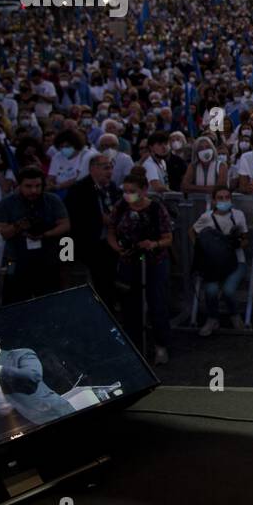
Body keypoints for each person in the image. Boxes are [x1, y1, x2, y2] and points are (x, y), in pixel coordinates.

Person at [107, 169, 173, 364]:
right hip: (129, 261)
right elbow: (111, 230)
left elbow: (168, 238)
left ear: (144, 190)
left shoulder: (156, 209)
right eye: (125, 191)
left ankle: (161, 345)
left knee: (157, 303)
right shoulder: (120, 207)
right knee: (130, 305)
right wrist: (117, 247)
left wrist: (154, 244)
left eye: (132, 190)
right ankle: (133, 345)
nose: (128, 195)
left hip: (154, 261)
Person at [0, 166, 70, 303]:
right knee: (14, 304)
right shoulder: (7, 203)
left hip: (48, 259)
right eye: (28, 186)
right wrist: (18, 226)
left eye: (38, 186)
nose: (33, 190)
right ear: (19, 185)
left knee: (50, 303)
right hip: (15, 260)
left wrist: (46, 234)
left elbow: (65, 225)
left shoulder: (52, 200)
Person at [63, 151, 122, 310]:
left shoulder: (112, 187)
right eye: (105, 168)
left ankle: (111, 304)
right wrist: (100, 218)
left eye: (110, 168)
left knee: (112, 275)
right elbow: (76, 216)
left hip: (110, 240)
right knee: (101, 275)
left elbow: (122, 203)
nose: (109, 172)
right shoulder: (80, 189)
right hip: (87, 242)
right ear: (93, 169)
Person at [190, 185, 249, 335]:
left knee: (229, 290)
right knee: (211, 289)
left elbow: (245, 240)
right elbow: (192, 231)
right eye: (220, 198)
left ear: (231, 199)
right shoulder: (206, 217)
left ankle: (235, 315)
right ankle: (212, 318)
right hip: (213, 263)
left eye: (227, 198)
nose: (224, 200)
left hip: (237, 260)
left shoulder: (238, 215)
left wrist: (236, 243)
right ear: (214, 201)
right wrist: (201, 248)